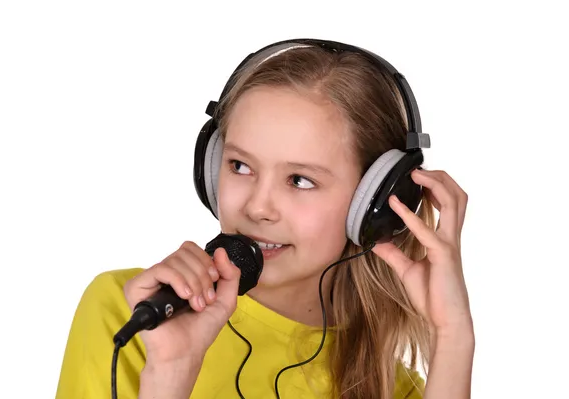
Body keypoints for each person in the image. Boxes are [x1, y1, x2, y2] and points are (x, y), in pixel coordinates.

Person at [55, 38, 474, 399]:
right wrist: (169, 374)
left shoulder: (386, 382)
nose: (257, 207)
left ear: (375, 204)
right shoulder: (132, 311)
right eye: (240, 166)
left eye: (300, 180)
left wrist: (453, 334)